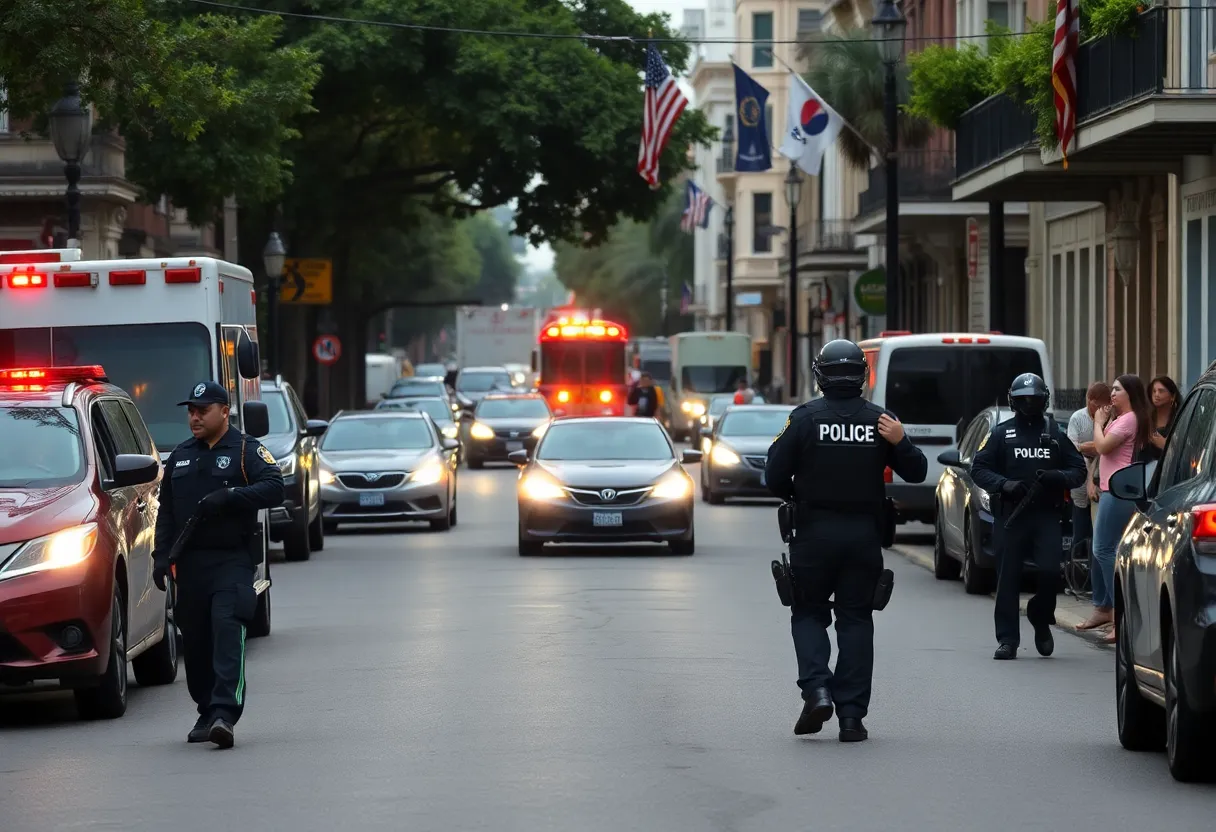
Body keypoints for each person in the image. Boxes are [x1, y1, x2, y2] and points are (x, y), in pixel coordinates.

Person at [764, 339, 927, 742]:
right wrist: (901, 441)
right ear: (862, 376)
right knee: (856, 620)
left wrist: (798, 494)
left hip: (813, 535)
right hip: (863, 537)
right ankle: (852, 718)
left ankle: (817, 690)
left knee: (808, 613)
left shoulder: (804, 419)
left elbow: (773, 476)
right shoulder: (881, 421)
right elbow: (917, 471)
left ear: (820, 375)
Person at [152, 381, 285, 749]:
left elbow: (275, 487)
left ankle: (225, 713)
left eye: (203, 410)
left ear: (225, 412)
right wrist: (160, 557)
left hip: (232, 561)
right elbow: (166, 512)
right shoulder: (180, 456)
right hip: (190, 565)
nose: (195, 417)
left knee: (226, 629)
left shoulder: (245, 450)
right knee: (196, 642)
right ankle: (207, 710)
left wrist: (232, 496)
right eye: (191, 411)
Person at [970, 373, 1088, 660]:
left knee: (1049, 573)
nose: (1029, 405)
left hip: (1046, 516)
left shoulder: (1055, 433)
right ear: (1013, 401)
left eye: (1034, 399)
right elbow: (979, 469)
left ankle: (1040, 615)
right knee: (1008, 579)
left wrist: (1057, 476)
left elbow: (1079, 471)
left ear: (1043, 400)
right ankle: (1007, 640)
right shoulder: (1001, 434)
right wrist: (1003, 484)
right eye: (1023, 400)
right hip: (1011, 516)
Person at [1084, 374, 1152, 643]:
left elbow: (1102, 446)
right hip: (1112, 489)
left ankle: (1119, 614)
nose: (1112, 394)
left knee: (1104, 549)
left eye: (1117, 390)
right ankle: (1105, 609)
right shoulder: (1122, 418)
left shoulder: (1129, 419)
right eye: (1111, 390)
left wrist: (1098, 423)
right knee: (1103, 549)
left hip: (1118, 491)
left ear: (1130, 394)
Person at [1066, 382, 1111, 552]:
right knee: (1080, 527)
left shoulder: (1110, 418)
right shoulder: (1077, 418)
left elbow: (1106, 446)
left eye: (1102, 405)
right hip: (1081, 473)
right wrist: (1094, 446)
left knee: (1097, 529)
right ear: (1088, 400)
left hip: (1101, 476)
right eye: (1095, 404)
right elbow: (1071, 447)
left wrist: (1086, 446)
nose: (1098, 409)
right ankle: (1077, 558)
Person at [1142, 375, 1180, 462]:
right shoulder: (1146, 419)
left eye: (1161, 391)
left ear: (1173, 396)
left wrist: (1164, 445)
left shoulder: (1180, 418)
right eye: (1154, 391)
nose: (1156, 395)